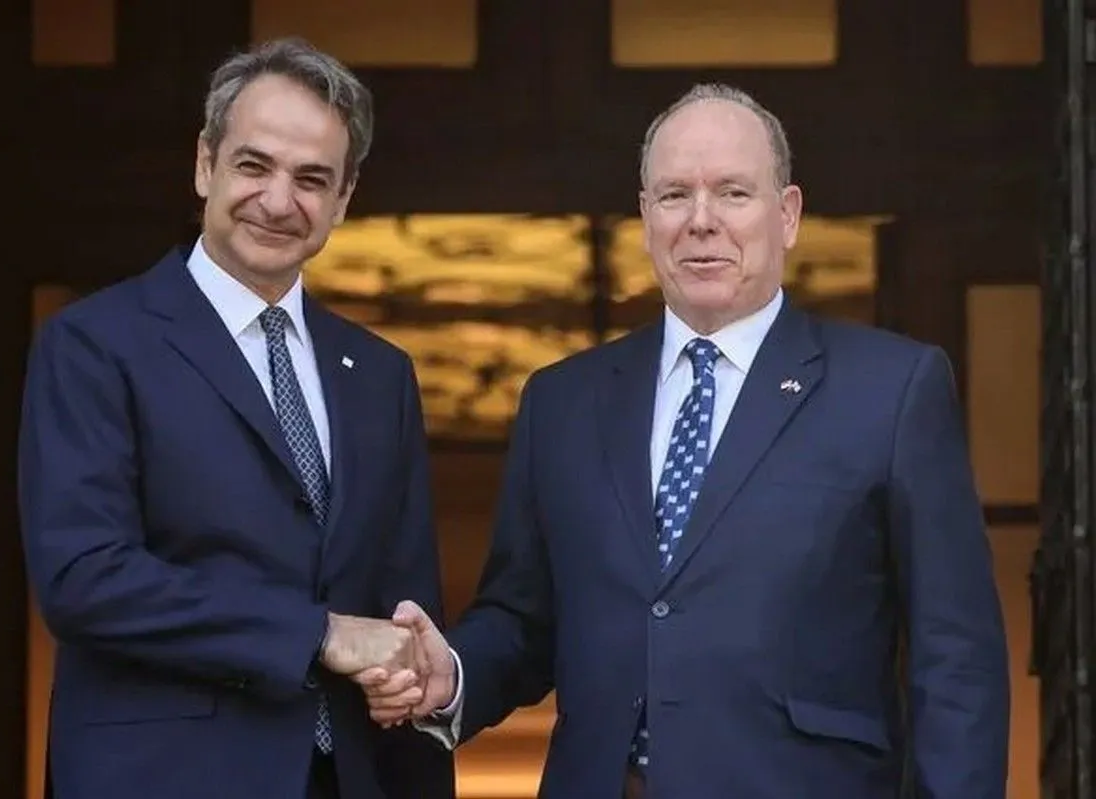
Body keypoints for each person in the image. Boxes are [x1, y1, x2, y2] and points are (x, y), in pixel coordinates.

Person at [363, 84, 1011, 798]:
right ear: (646, 218)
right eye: (675, 195)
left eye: (733, 192)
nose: (702, 221)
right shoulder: (562, 402)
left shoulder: (891, 390)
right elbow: (524, 621)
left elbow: (958, 658)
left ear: (787, 215)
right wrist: (453, 672)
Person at [18, 37, 454, 799]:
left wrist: (409, 677)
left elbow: (404, 613)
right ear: (204, 163)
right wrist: (318, 634)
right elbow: (84, 577)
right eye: (255, 165)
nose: (279, 202)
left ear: (344, 198)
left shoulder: (381, 375)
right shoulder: (94, 343)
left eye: (312, 179)